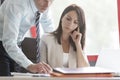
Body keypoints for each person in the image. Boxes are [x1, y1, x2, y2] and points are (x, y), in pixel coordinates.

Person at [0, 0, 54, 76]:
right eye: (44, 0)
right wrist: (30, 65)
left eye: (51, 0)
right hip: (3, 44)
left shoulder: (45, 6)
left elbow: (50, 31)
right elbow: (9, 41)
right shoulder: (15, 4)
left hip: (16, 46)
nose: (47, 5)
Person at [39, 4, 89, 68]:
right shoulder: (46, 39)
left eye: (75, 22)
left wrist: (78, 44)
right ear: (62, 18)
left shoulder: (78, 42)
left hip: (74, 78)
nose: (70, 24)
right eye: (68, 19)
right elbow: (42, 69)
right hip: (53, 78)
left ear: (78, 26)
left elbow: (84, 69)